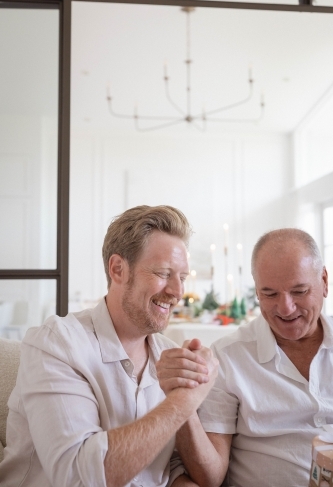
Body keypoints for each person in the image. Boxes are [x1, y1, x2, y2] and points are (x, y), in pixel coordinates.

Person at [0, 205, 218, 487]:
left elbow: (192, 474)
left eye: (183, 277)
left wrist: (186, 393)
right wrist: (183, 401)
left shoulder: (167, 354)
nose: (178, 292)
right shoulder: (57, 344)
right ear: (118, 269)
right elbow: (79, 477)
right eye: (164, 273)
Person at [157, 228, 333, 487]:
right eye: (270, 294)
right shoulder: (228, 357)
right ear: (257, 292)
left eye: (299, 291)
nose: (285, 308)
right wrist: (181, 398)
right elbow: (209, 476)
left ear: (325, 282)